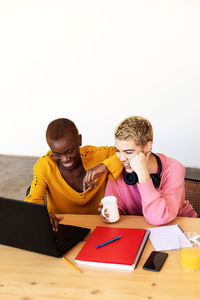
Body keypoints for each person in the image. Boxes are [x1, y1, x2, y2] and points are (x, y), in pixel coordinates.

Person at [84, 116, 197, 225]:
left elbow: (158, 218)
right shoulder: (118, 168)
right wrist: (110, 213)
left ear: (148, 147)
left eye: (128, 152)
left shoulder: (173, 169)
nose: (122, 158)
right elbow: (119, 210)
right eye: (117, 150)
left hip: (184, 226)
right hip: (142, 228)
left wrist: (143, 174)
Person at [25, 118, 122, 230]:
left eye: (69, 151)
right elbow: (34, 200)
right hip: (62, 228)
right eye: (57, 154)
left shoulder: (99, 155)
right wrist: (41, 215)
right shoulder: (45, 165)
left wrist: (104, 165)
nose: (65, 159)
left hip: (102, 226)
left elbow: (135, 153)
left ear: (79, 140)